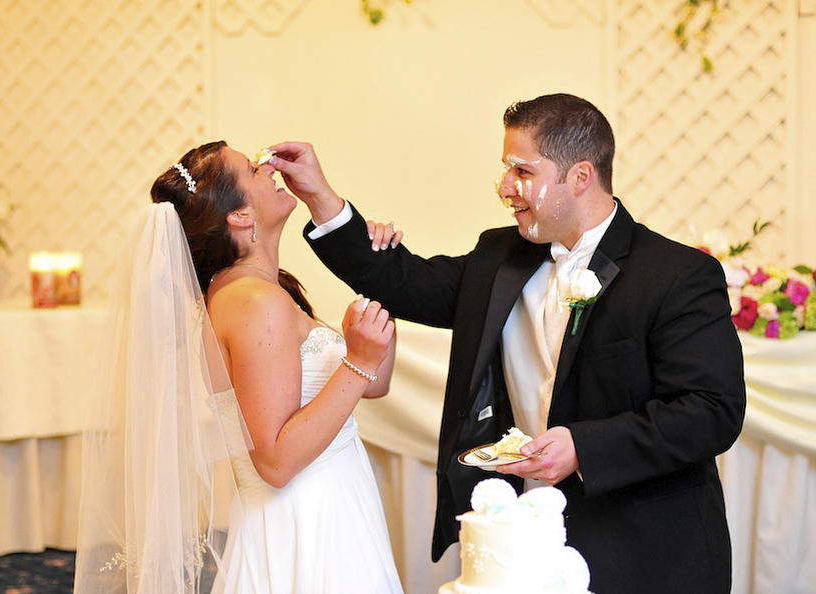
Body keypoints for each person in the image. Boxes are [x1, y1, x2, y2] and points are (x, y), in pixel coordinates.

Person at [266, 94, 746, 594]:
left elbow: (711, 410)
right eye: (505, 170)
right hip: (522, 546)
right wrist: (320, 197)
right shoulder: (499, 256)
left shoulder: (677, 274)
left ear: (580, 177)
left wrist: (584, 447)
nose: (504, 188)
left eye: (522, 172)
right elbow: (401, 281)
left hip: (649, 552)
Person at [74, 141, 404, 594]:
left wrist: (380, 279)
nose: (268, 167)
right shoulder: (251, 301)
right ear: (240, 216)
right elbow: (275, 461)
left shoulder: (264, 290)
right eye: (252, 168)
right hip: (304, 523)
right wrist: (357, 362)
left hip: (335, 502)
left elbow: (374, 384)